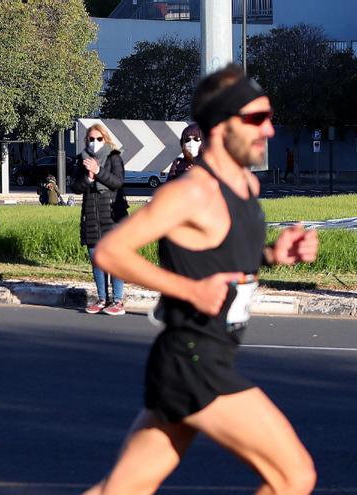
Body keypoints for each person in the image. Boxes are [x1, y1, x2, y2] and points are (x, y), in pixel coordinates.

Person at [85, 65, 318, 494]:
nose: (268, 130)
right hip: (194, 359)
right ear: (222, 125)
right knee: (294, 476)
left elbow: (224, 260)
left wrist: (273, 254)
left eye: (269, 117)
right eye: (256, 119)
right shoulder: (193, 191)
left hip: (200, 357)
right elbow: (110, 251)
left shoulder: (246, 186)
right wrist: (190, 290)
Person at [72, 123, 128, 316]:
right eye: (90, 139)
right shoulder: (82, 160)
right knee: (96, 259)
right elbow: (75, 186)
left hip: (112, 214)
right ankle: (102, 298)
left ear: (105, 139)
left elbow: (117, 182)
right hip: (91, 214)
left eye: (98, 139)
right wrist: (87, 179)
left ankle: (118, 300)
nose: (94, 142)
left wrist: (98, 171)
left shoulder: (114, 157)